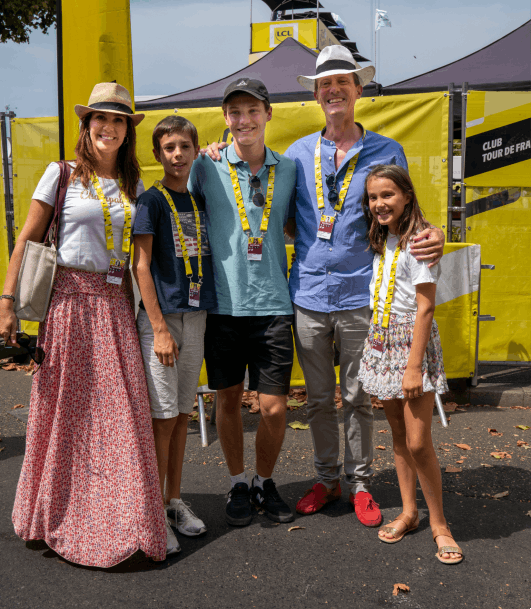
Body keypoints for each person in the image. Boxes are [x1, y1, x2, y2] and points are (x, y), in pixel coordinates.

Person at [0, 83, 167, 567]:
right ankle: (50, 515)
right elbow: (26, 240)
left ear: (127, 131)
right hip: (68, 304)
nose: (108, 127)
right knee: (63, 413)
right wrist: (7, 302)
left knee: (120, 418)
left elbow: (138, 259)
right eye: (100, 119)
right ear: (86, 126)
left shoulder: (133, 185)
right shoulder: (62, 174)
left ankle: (124, 520)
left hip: (114, 306)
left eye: (117, 120)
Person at [283, 46, 445, 527]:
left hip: (360, 295)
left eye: (343, 83)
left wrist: (432, 232)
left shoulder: (386, 150)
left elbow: (405, 214)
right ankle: (327, 478)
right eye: (325, 84)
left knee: (357, 398)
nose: (333, 91)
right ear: (316, 95)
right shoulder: (296, 154)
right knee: (316, 399)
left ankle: (359, 484)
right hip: (309, 293)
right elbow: (283, 214)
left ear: (358, 90)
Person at [189, 78, 297, 526]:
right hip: (223, 306)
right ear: (226, 119)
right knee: (227, 401)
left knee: (274, 407)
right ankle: (237, 481)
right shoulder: (204, 165)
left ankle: (263, 481)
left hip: (273, 304)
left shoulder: (290, 170)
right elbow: (182, 217)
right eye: (235, 112)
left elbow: (298, 224)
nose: (244, 120)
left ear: (268, 114)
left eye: (253, 110)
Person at [357, 164, 462, 565]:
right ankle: (409, 512)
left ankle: (440, 524)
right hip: (381, 341)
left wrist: (414, 366)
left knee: (419, 441)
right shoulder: (382, 235)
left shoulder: (419, 241)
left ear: (406, 195)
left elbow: (426, 307)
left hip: (410, 346)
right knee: (398, 437)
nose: (380, 203)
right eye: (373, 197)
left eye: (387, 195)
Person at [132, 116, 215, 554]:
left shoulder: (199, 198)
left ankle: (173, 501)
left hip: (196, 316)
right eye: (169, 148)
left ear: (195, 150)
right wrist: (159, 326)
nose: (177, 155)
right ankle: (150, 511)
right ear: (157, 153)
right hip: (162, 323)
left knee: (182, 413)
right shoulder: (151, 201)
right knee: (160, 418)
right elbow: (140, 266)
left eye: (185, 146)